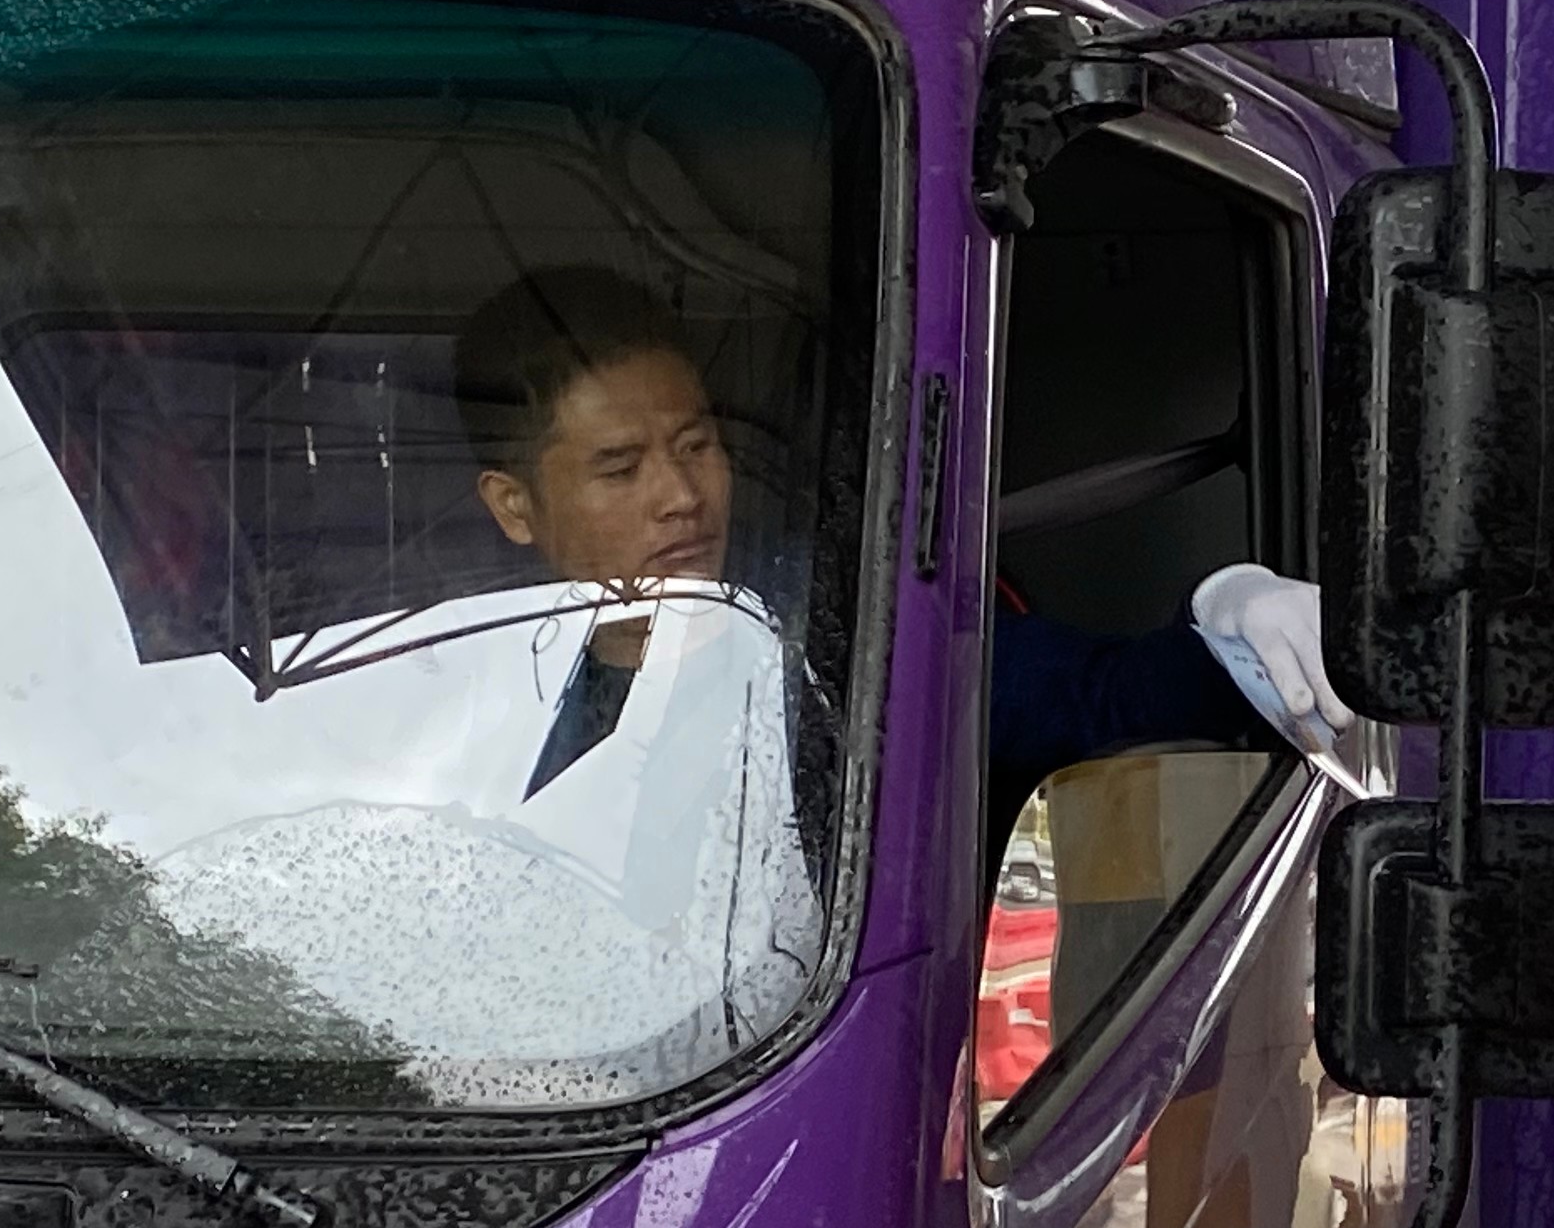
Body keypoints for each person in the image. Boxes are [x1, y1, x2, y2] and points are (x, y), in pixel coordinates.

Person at [451, 267, 1353, 819]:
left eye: (697, 446)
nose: (681, 497)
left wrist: (1232, 618)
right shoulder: (465, 690)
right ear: (515, 507)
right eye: (620, 469)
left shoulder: (848, 629)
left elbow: (1101, 699)